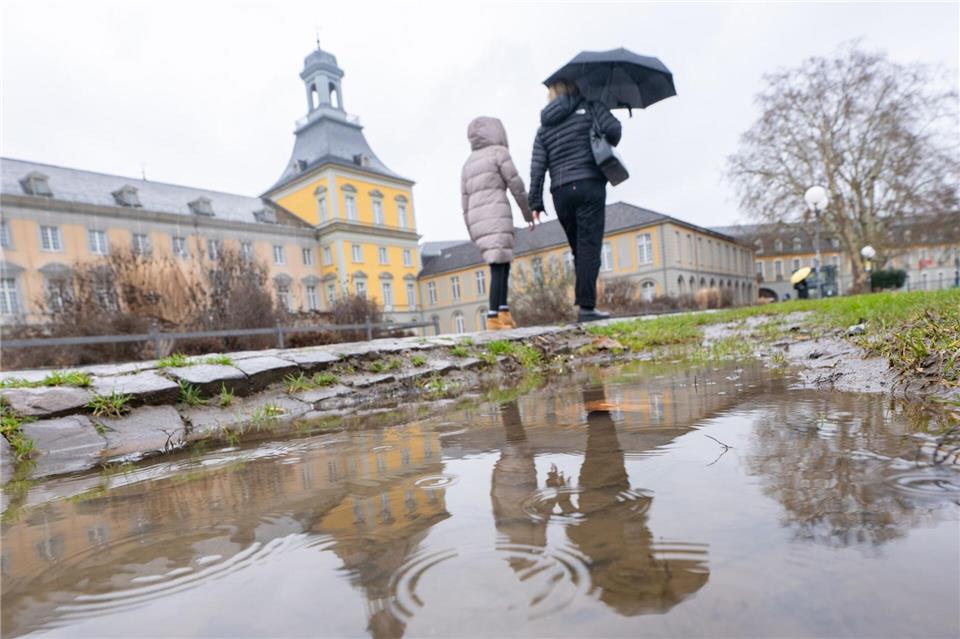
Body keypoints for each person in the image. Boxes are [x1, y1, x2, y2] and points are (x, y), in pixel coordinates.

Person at [529, 80, 622, 322]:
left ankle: (585, 304)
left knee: (579, 249)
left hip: (561, 193)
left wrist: (535, 202)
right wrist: (601, 112)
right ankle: (587, 308)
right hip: (588, 184)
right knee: (589, 247)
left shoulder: (543, 127)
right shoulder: (591, 107)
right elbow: (614, 132)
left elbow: (537, 166)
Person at [461, 116, 533, 330]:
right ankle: (493, 316)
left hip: (477, 219)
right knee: (498, 266)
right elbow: (516, 184)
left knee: (502, 262)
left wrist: (470, 228)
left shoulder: (468, 163)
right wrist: (528, 212)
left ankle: (503, 312)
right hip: (496, 212)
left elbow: (464, 199)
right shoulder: (498, 153)